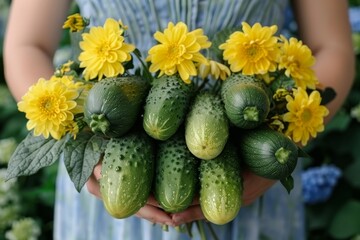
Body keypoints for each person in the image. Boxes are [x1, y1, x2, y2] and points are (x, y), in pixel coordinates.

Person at [3, 0, 355, 239]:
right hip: (111, 164)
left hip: (250, 167)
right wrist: (84, 146)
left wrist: (276, 153)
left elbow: (330, 46)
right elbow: (28, 44)